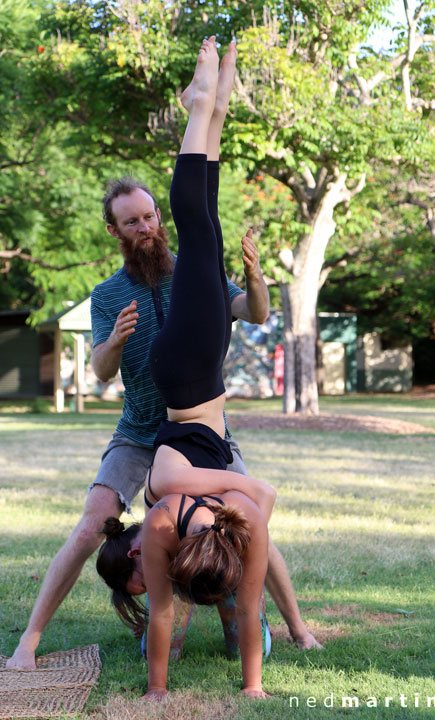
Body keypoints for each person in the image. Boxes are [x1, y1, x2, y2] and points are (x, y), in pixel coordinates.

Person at [6, 37, 319, 673]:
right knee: (97, 521)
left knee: (248, 517)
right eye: (134, 221)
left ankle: (294, 627)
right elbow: (98, 372)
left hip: (197, 429)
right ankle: (29, 641)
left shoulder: (192, 276)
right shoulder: (108, 293)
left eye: (151, 215)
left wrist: (257, 280)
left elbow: (251, 314)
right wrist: (115, 342)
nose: (147, 226)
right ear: (116, 231)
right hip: (143, 431)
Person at [97, 35, 276, 697]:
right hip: (198, 371)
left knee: (194, 228)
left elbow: (262, 494)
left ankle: (202, 99)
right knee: (207, 222)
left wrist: (154, 693)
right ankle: (216, 103)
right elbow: (248, 599)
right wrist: (253, 690)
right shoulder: (217, 519)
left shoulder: (169, 487)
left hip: (187, 369)